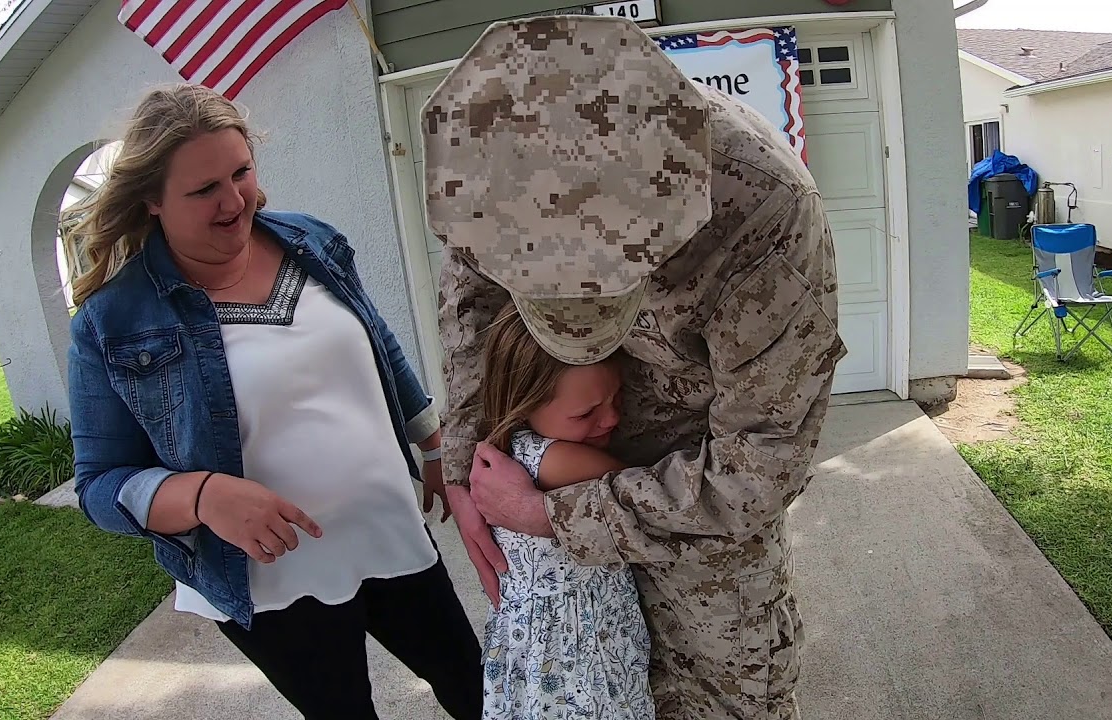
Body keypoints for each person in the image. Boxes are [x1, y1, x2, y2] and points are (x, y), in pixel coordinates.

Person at [423, 15, 846, 720]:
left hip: (700, 498)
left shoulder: (762, 211)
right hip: (560, 453)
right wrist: (468, 469)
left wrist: (553, 516)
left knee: (722, 697)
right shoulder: (487, 160)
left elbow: (758, 471)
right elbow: (468, 313)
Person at [63, 84, 482, 720]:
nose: (236, 203)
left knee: (480, 689)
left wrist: (431, 443)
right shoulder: (111, 319)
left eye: (241, 172)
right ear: (150, 199)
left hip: (384, 526)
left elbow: (377, 345)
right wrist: (203, 495)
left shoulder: (311, 241)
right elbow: (100, 486)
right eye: (204, 190)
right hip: (270, 577)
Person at [478, 300, 654, 719]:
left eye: (616, 397)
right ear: (522, 405)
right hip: (577, 641)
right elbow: (644, 492)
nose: (611, 419)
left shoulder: (511, 450)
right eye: (586, 413)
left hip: (532, 639)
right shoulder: (560, 461)